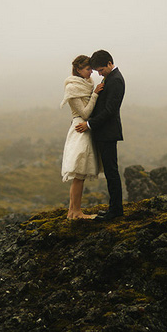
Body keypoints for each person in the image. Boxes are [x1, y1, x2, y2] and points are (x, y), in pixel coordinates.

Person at [75, 50, 124, 221]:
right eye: (97, 71)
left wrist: (89, 124)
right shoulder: (109, 78)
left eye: (101, 70)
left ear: (110, 63)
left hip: (108, 133)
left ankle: (116, 211)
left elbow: (110, 110)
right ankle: (114, 208)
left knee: (112, 172)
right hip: (103, 132)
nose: (99, 73)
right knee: (110, 172)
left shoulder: (116, 80)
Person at [60, 55, 104, 219]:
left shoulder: (86, 84)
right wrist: (95, 95)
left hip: (86, 129)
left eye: (91, 69)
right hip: (80, 128)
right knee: (79, 173)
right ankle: (76, 212)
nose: (91, 72)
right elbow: (84, 113)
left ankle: (73, 211)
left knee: (81, 174)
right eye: (87, 69)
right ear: (78, 70)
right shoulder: (73, 88)